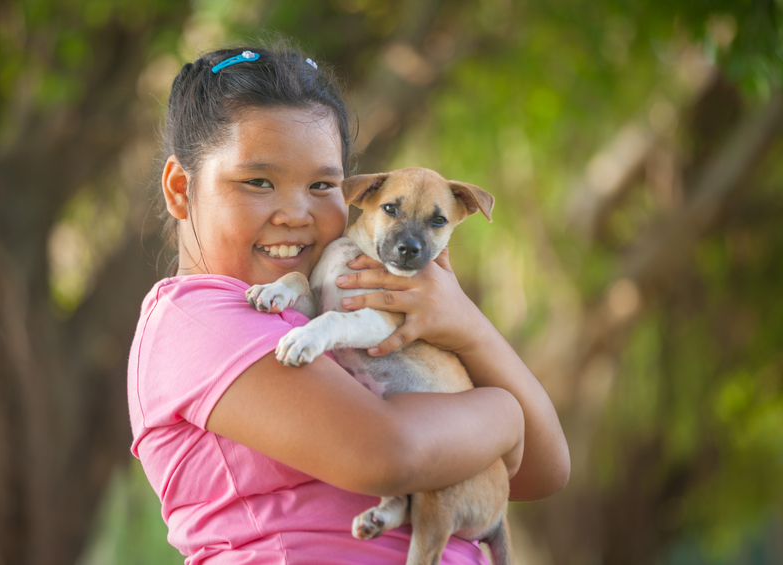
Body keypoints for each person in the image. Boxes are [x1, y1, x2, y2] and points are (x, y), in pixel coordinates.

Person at [127, 42, 570, 565]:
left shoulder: (314, 302)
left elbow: (542, 471)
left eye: (322, 184)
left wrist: (464, 325)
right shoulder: (197, 321)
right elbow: (389, 453)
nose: (295, 212)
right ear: (182, 190)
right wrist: (505, 415)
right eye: (258, 182)